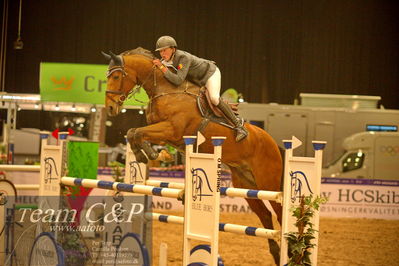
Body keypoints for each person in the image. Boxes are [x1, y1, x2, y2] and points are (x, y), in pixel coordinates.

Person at [152, 36, 248, 142]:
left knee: (214, 98)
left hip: (209, 74)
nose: (162, 54)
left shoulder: (183, 58)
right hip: (197, 80)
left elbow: (178, 80)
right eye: (160, 51)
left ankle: (239, 127)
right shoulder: (165, 61)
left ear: (173, 49)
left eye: (164, 50)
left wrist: (161, 67)